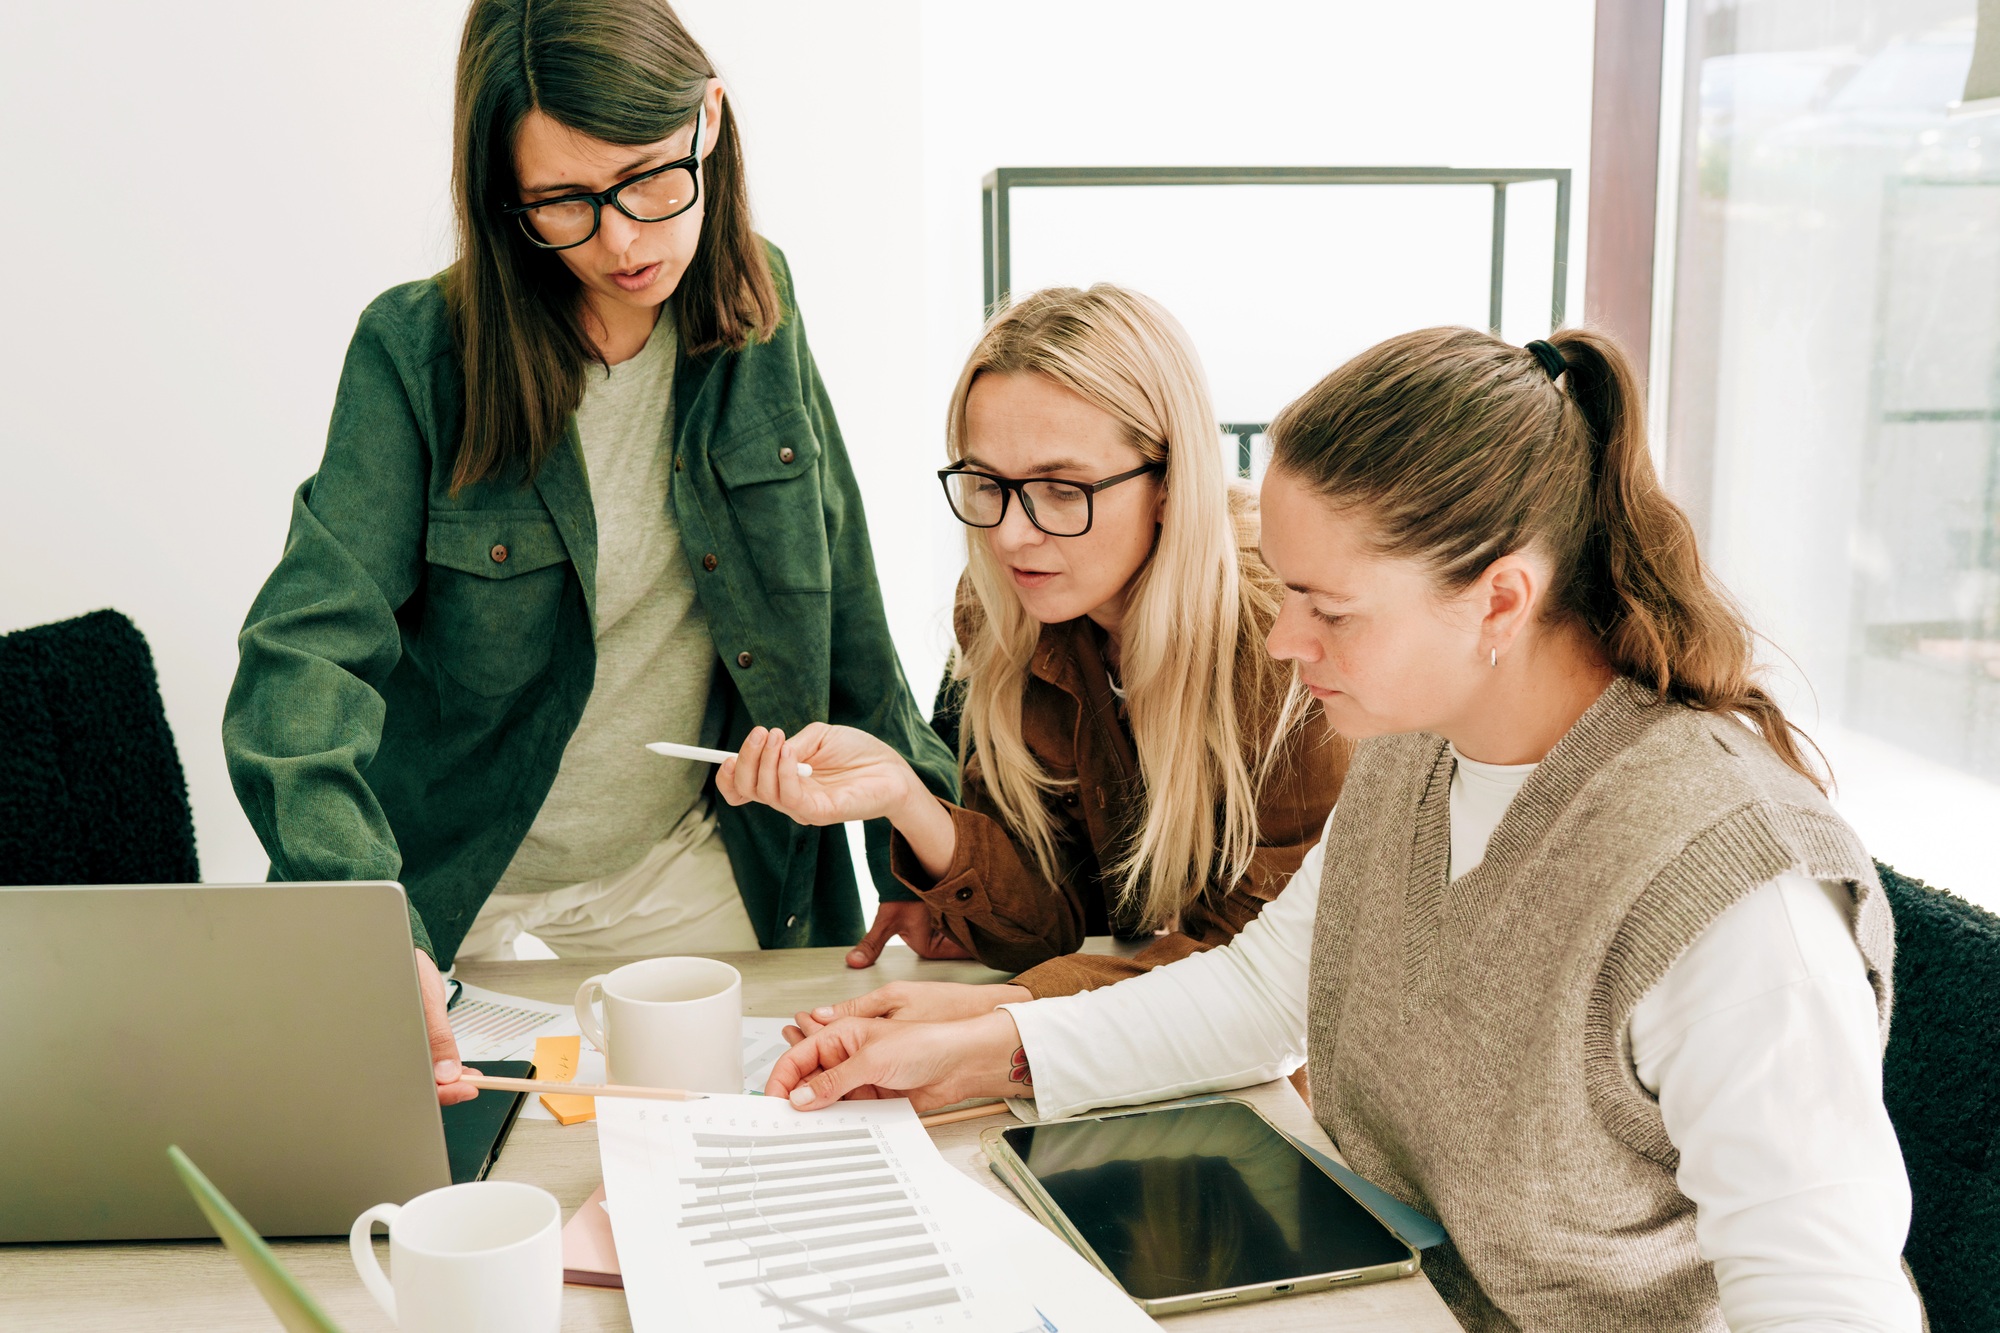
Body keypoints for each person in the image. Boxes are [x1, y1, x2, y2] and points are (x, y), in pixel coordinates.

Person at [764, 327, 1922, 1330]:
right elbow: (1265, 989)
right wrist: (974, 1048)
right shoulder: (1419, 741)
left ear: (1500, 600)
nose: (1281, 641)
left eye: (1325, 607)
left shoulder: (1730, 893)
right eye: (1285, 587)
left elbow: (1825, 1302)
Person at [221, 0, 954, 1107]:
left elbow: (840, 586)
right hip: (469, 912)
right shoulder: (415, 354)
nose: (624, 239)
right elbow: (301, 662)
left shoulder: (764, 309)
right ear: (503, 197)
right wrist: (358, 921)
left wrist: (910, 851)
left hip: (703, 885)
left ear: (709, 123)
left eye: (654, 179)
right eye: (566, 201)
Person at [717, 285, 1348, 1000]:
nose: (1012, 535)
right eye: (987, 482)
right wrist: (905, 797)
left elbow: (1257, 974)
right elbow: (1046, 920)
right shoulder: (1005, 610)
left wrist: (1000, 1015)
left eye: (1060, 488)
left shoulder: (1284, 643)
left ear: (1170, 482)